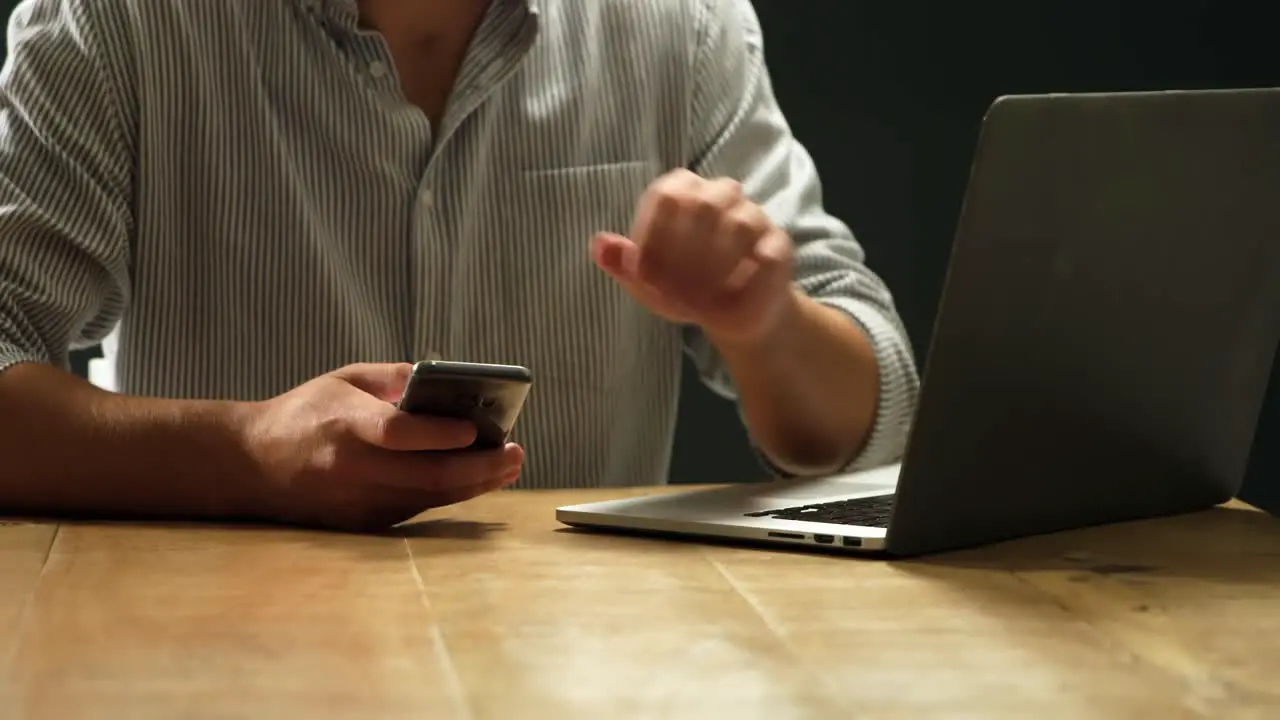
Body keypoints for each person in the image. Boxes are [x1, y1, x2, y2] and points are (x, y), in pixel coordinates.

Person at [0, 0, 920, 531]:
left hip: (581, 667)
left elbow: (867, 426)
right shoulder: (117, 20)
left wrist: (765, 324)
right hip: (215, 654)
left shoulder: (676, 25)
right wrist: (246, 451)